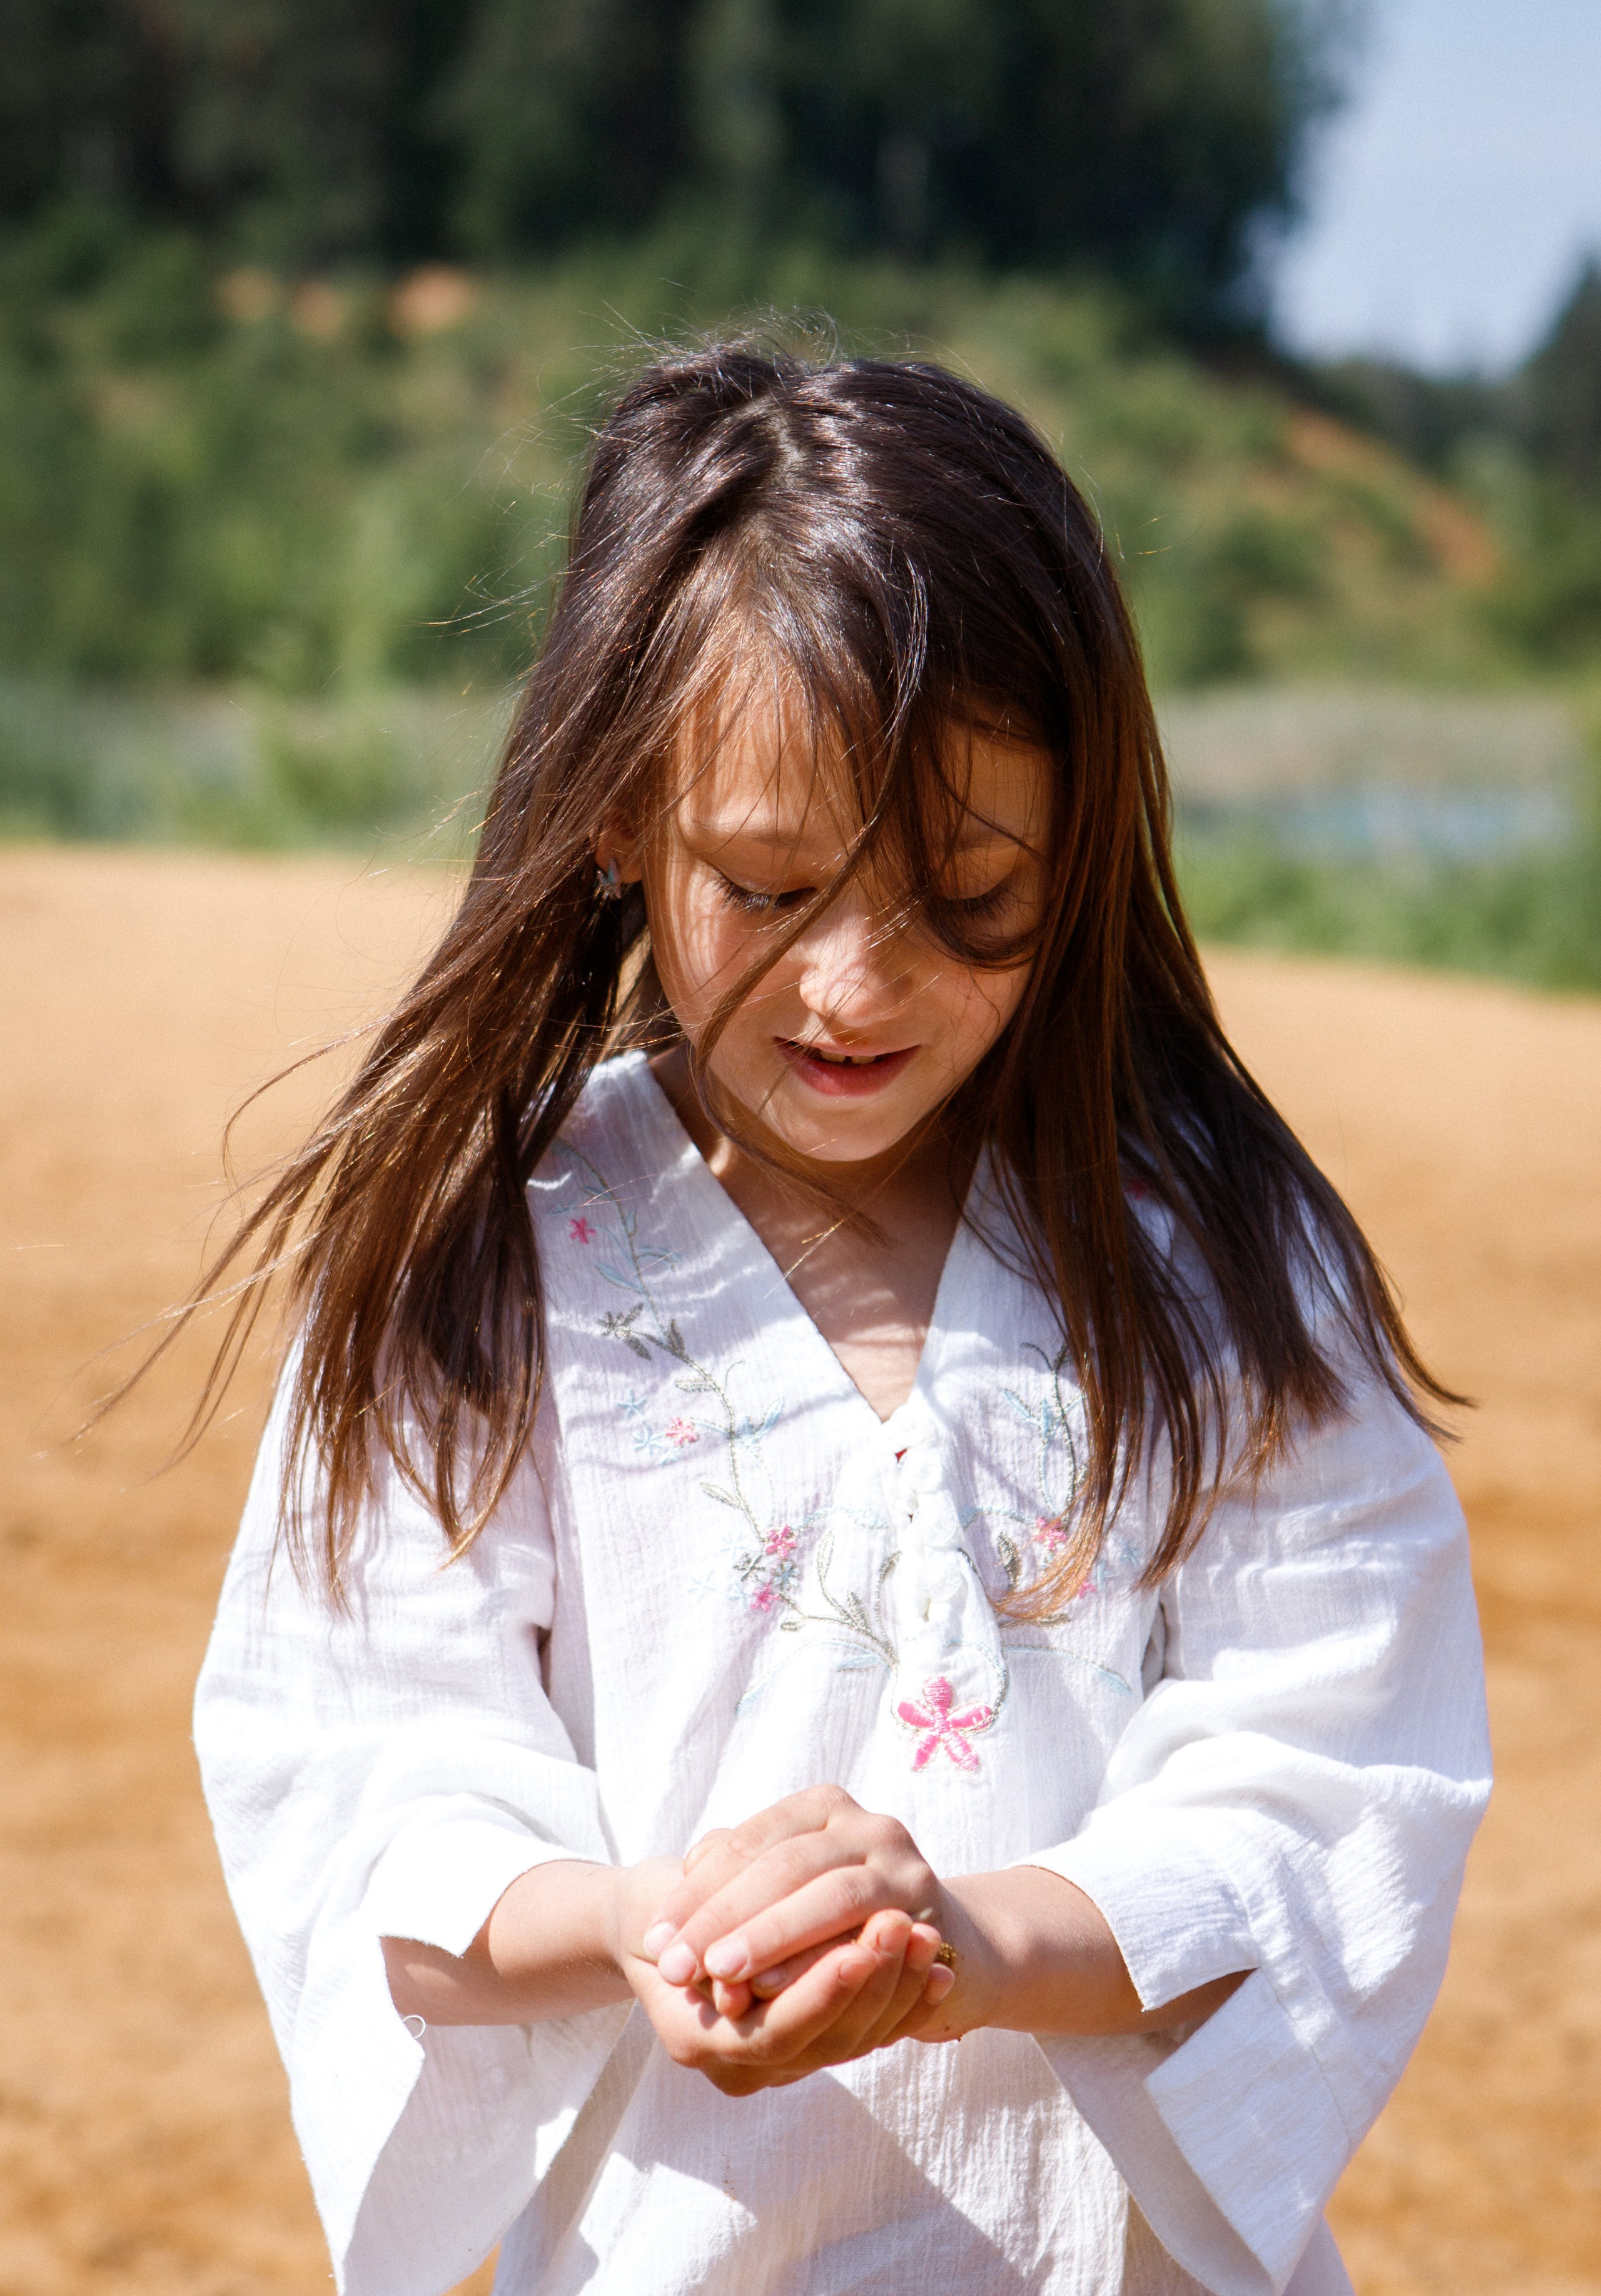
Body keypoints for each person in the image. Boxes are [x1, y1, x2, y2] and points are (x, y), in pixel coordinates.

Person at [193, 343, 1490, 2296]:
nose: (860, 986)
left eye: (972, 897)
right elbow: (365, 1758)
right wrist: (640, 1924)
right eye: (772, 886)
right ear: (620, 809)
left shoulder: (1215, 1262)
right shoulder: (490, 1261)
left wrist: (969, 1947)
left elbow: (1336, 1767)